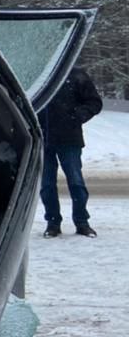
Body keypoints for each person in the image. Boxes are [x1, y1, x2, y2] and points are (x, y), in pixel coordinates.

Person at [39, 65, 103, 237]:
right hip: (42, 139)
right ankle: (52, 223)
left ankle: (82, 222)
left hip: (69, 139)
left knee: (76, 183)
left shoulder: (75, 74)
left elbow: (95, 102)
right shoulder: (38, 74)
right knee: (46, 186)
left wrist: (76, 116)